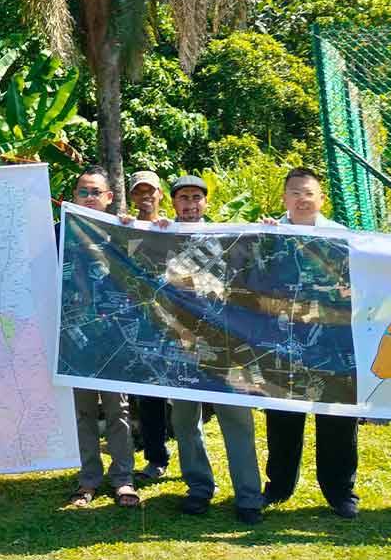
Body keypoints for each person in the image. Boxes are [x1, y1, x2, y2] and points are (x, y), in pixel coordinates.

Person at [156, 175, 264, 524]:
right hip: (181, 346)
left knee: (237, 420)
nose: (190, 203)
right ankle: (198, 488)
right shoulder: (159, 237)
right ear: (174, 203)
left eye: (196, 197)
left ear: (206, 203)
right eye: (183, 197)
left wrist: (269, 230)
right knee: (185, 420)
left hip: (224, 346)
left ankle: (248, 497)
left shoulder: (227, 238)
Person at [259, 167, 360, 519]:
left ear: (321, 199)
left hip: (332, 342)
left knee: (336, 418)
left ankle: (340, 492)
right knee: (283, 416)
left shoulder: (342, 237)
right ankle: (278, 486)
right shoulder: (267, 235)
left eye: (309, 193)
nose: (302, 199)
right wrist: (260, 239)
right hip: (283, 341)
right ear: (285, 198)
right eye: (295, 193)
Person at [60, 166, 139, 508]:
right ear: (73, 198)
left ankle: (123, 479)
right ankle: (88, 479)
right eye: (83, 192)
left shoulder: (123, 234)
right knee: (83, 412)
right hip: (74, 337)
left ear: (109, 198)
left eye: (96, 192)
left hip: (113, 337)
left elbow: (155, 260)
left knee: (118, 409)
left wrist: (157, 229)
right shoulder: (59, 233)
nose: (89, 198)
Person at [120, 171, 172, 482]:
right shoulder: (123, 230)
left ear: (161, 194)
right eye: (139, 192)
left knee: (187, 394)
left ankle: (197, 461)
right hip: (139, 323)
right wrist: (122, 231)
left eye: (150, 191)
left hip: (178, 323)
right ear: (132, 196)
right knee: (148, 393)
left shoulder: (174, 228)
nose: (145, 197)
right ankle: (156, 457)